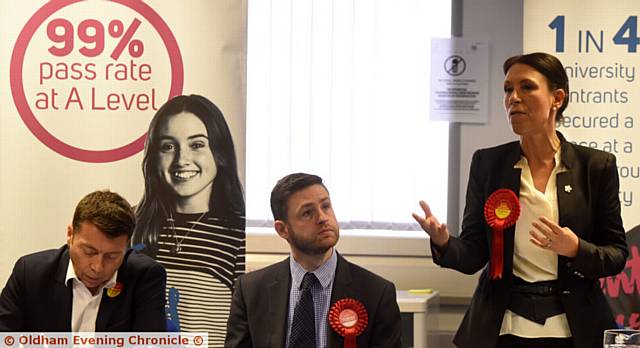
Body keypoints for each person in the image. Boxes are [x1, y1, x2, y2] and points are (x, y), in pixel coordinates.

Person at [412, 52, 628, 348]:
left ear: (557, 98)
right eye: (508, 89)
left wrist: (575, 248)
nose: (513, 97)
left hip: (575, 328)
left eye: (526, 87)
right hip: (503, 327)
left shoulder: (596, 166)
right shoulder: (488, 164)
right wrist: (444, 242)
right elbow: (475, 254)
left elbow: (616, 255)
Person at [225, 173, 402, 348]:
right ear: (282, 230)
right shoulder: (250, 291)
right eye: (307, 213)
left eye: (325, 206)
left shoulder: (377, 293)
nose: (323, 218)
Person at [131, 94, 245, 345]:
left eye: (197, 145)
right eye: (168, 146)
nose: (181, 159)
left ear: (220, 152)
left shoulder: (239, 232)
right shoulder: (132, 223)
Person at [0, 190, 166, 331]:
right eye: (89, 251)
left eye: (112, 256)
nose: (98, 267)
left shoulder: (145, 277)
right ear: (70, 235)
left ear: (126, 247)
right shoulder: (30, 273)